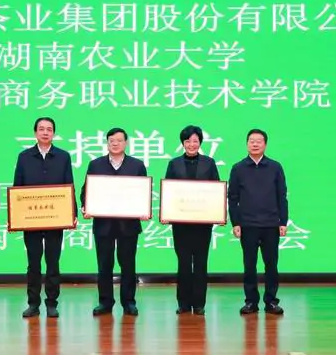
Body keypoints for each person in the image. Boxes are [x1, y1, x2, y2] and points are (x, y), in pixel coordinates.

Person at [13, 117, 77, 319]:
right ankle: (33, 304)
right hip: (30, 219)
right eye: (41, 129)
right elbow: (17, 187)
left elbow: (69, 185)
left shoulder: (63, 156)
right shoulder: (24, 157)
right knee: (33, 263)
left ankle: (51, 303)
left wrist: (72, 213)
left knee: (53, 262)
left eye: (49, 129)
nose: (45, 132)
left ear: (54, 133)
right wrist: (14, 215)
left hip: (55, 219)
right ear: (35, 133)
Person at [81, 128, 148, 317]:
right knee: (104, 266)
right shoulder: (96, 165)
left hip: (128, 225)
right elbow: (86, 190)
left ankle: (129, 302)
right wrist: (86, 206)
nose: (115, 143)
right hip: (103, 224)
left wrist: (144, 209)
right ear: (107, 143)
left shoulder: (137, 165)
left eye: (119, 140)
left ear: (126, 143)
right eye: (111, 140)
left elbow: (143, 192)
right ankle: (105, 302)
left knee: (128, 265)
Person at [227, 128, 289, 316]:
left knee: (271, 265)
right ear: (247, 144)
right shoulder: (238, 168)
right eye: (251, 141)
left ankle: (271, 301)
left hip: (271, 224)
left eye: (259, 141)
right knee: (249, 265)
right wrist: (235, 223)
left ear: (265, 144)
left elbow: (282, 196)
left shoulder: (275, 167)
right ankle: (250, 302)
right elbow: (232, 198)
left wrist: (283, 221)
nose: (255, 144)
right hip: (248, 225)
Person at [164, 125, 220, 316]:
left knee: (201, 263)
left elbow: (216, 190)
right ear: (183, 143)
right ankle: (183, 303)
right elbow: (169, 191)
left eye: (195, 141)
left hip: (203, 223)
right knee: (184, 264)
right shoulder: (174, 164)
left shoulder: (209, 163)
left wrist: (218, 213)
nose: (191, 144)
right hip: (181, 224)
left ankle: (199, 304)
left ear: (200, 142)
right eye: (187, 141)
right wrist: (166, 213)